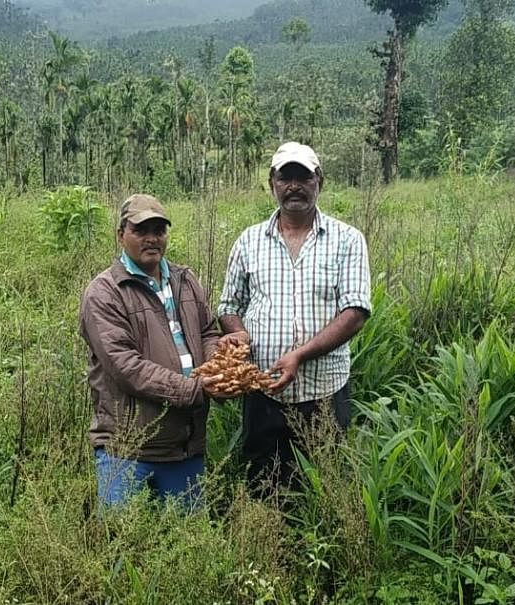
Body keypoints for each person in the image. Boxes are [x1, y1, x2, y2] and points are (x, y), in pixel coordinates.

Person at [217, 142, 372, 491]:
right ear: (272, 182)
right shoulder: (249, 241)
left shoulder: (347, 240)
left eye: (303, 176)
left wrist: (299, 356)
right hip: (263, 393)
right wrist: (238, 334)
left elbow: (356, 311)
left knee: (324, 486)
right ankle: (267, 542)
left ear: (320, 181)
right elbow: (228, 306)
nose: (294, 186)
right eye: (285, 176)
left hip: (324, 392)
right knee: (264, 485)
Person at [79, 193, 225, 508]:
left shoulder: (186, 281)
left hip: (185, 446)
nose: (152, 239)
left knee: (186, 547)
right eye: (140, 230)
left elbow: (208, 331)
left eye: (159, 230)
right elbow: (126, 366)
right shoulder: (105, 293)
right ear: (120, 235)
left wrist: (218, 369)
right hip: (129, 449)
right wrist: (195, 389)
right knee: (125, 548)